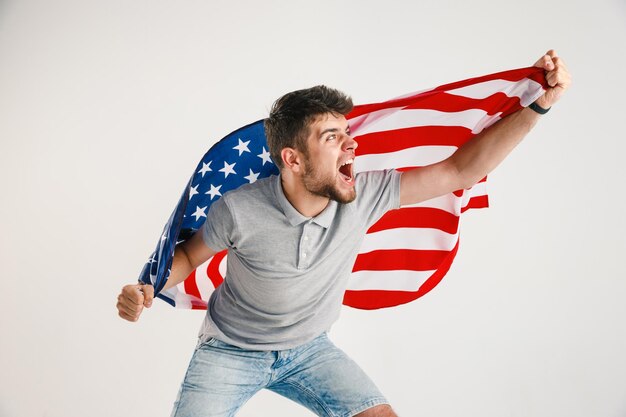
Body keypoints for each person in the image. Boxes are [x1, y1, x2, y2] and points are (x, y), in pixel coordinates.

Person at [117, 50, 570, 417]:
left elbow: (458, 169)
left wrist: (538, 106)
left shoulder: (366, 193)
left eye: (348, 132)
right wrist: (148, 286)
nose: (352, 144)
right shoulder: (238, 210)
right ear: (292, 160)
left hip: (310, 351)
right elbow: (191, 258)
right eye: (332, 136)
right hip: (231, 352)